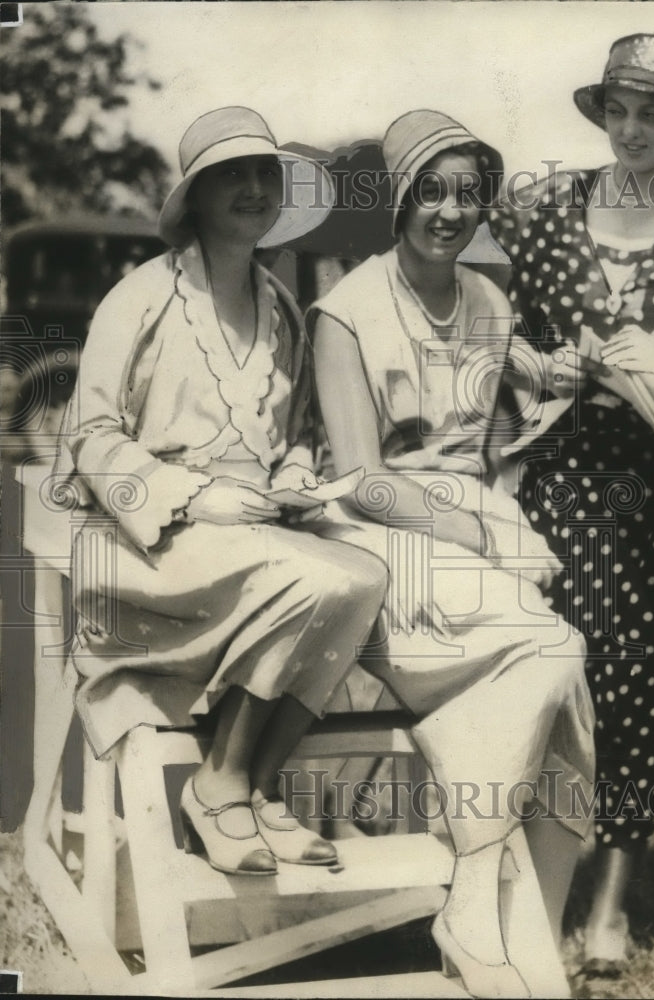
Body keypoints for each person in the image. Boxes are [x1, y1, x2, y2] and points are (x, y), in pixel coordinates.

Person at [488, 34, 654, 976]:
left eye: (653, 113)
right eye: (619, 109)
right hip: (563, 484)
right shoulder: (545, 211)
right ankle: (533, 889)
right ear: (600, 113)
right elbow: (500, 342)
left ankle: (609, 905)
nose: (633, 129)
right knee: (556, 681)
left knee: (637, 692)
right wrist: (539, 368)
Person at [52, 107, 388, 875]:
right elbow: (91, 438)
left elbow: (298, 428)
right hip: (146, 550)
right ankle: (221, 789)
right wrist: (195, 499)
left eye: (266, 173)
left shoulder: (283, 309)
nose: (254, 188)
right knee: (307, 576)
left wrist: (296, 474)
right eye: (231, 174)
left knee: (366, 576)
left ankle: (255, 788)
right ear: (194, 197)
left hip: (251, 539)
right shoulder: (137, 300)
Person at [308, 109, 595, 999]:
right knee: (557, 651)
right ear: (399, 199)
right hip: (383, 535)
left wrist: (550, 387)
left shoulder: (490, 302)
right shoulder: (344, 311)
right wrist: (467, 532)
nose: (449, 211)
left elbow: (490, 439)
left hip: (473, 529)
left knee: (572, 721)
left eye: (468, 195)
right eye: (431, 191)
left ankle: (528, 940)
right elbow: (359, 477)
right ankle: (473, 904)